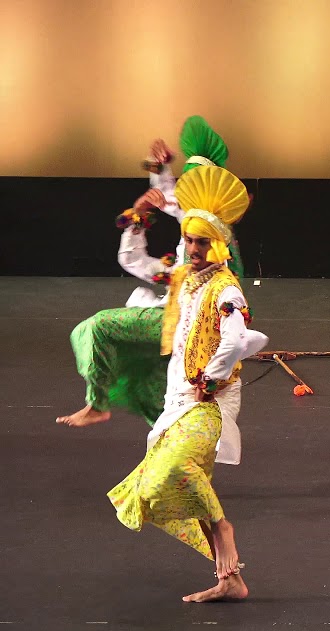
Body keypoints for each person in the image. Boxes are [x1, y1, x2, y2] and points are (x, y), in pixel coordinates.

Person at [107, 165, 267, 602]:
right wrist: (138, 217)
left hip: (210, 404)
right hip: (177, 401)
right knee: (160, 490)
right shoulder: (180, 279)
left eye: (201, 241)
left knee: (174, 472)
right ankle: (230, 581)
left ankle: (224, 527)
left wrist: (212, 380)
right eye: (189, 240)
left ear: (219, 245)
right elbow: (131, 260)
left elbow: (241, 339)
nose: (192, 248)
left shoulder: (226, 289)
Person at [58, 116, 241, 427]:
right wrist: (149, 195)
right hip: (175, 324)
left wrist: (156, 183)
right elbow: (136, 256)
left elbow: (174, 202)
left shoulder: (213, 240)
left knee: (98, 328)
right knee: (160, 405)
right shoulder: (192, 243)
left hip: (187, 328)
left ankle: (100, 404)